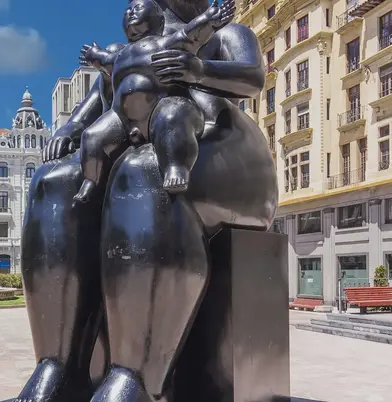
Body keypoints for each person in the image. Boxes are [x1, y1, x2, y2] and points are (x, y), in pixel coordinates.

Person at [17, 0, 277, 400]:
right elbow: (90, 108)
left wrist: (200, 71)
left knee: (144, 171)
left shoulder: (225, 34)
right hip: (152, 143)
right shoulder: (130, 53)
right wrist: (70, 128)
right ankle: (58, 365)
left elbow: (252, 79)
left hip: (224, 153)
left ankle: (137, 377)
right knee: (53, 181)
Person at [74, 0, 233, 201]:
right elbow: (103, 59)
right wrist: (92, 54)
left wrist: (209, 19)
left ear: (158, 19)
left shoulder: (164, 44)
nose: (131, 12)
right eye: (128, 10)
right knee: (92, 136)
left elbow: (190, 35)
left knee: (174, 117)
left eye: (138, 8)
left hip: (157, 110)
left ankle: (176, 167)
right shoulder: (120, 54)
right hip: (121, 119)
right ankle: (91, 180)